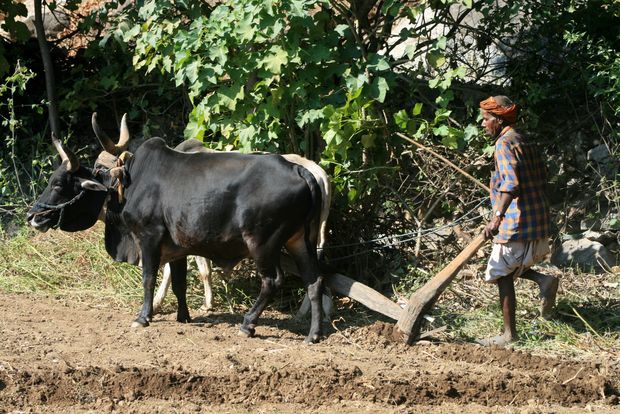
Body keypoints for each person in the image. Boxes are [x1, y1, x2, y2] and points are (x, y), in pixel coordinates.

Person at [477, 95, 559, 347]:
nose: (483, 124)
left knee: (501, 273)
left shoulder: (503, 144)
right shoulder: (524, 139)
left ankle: (509, 335)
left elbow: (511, 185)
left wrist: (496, 218)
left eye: (486, 119)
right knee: (511, 265)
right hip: (537, 217)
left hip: (516, 220)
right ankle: (544, 280)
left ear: (499, 119)